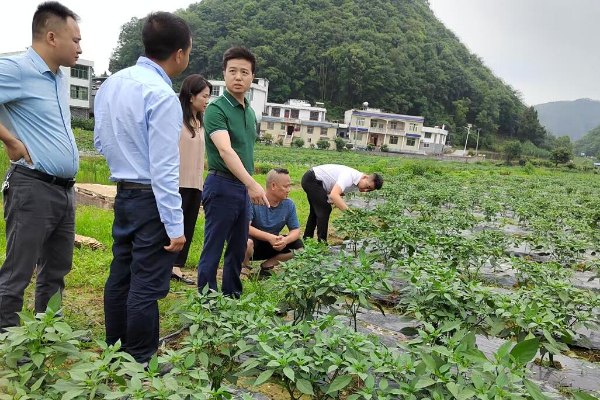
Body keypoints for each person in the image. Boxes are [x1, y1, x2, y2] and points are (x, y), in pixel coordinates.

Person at [94, 12, 191, 364]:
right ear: (180, 53)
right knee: (146, 284)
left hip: (125, 193)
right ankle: (140, 360)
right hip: (151, 199)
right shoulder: (161, 94)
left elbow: (101, 141)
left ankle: (115, 350)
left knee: (121, 273)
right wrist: (175, 226)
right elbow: (164, 168)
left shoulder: (112, 84)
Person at [0, 1, 81, 331]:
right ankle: (8, 340)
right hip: (32, 187)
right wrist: (10, 140)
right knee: (18, 271)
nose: (80, 48)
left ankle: (48, 333)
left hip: (64, 190)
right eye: (75, 40)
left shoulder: (59, 78)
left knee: (56, 269)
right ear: (51, 37)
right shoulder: (17, 69)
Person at [197, 46, 268, 298]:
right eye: (233, 71)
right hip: (222, 184)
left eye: (244, 72)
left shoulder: (250, 112)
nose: (238, 77)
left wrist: (248, 184)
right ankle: (207, 300)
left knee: (238, 247)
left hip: (242, 188)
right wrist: (252, 183)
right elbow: (225, 151)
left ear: (252, 77)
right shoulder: (216, 109)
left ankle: (231, 296)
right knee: (214, 245)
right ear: (224, 74)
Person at [171, 75, 212, 285]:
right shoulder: (176, 120)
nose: (207, 101)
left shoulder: (200, 123)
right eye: (204, 96)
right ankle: (164, 266)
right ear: (190, 96)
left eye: (208, 97)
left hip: (195, 183)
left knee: (188, 226)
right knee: (172, 226)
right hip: (177, 182)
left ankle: (176, 267)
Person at [243, 168, 303, 278]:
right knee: (246, 242)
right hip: (253, 246)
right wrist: (269, 237)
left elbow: (295, 230)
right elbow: (245, 227)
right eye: (286, 186)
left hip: (273, 245)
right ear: (273, 186)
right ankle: (244, 266)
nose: (288, 190)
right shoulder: (254, 201)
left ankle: (268, 265)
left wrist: (285, 240)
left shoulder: (289, 205)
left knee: (300, 248)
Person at [302, 164, 383, 243]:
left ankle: (307, 239)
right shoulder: (349, 176)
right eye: (367, 187)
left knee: (316, 212)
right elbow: (334, 195)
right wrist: (350, 213)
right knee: (325, 209)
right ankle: (322, 243)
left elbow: (338, 193)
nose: (365, 190)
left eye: (369, 190)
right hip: (312, 179)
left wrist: (331, 198)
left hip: (317, 182)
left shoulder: (357, 184)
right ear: (365, 177)